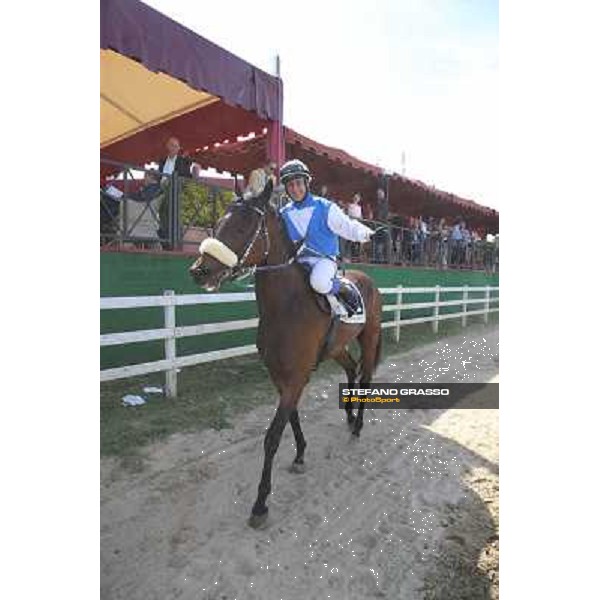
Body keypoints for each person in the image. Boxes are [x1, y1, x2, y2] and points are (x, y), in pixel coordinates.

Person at [278, 159, 375, 317]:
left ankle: (344, 288)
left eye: (298, 183)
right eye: (290, 185)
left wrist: (367, 234)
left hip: (323, 261)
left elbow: (347, 226)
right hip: (297, 262)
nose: (295, 189)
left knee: (319, 283)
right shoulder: (283, 213)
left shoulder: (324, 207)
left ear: (306, 184)